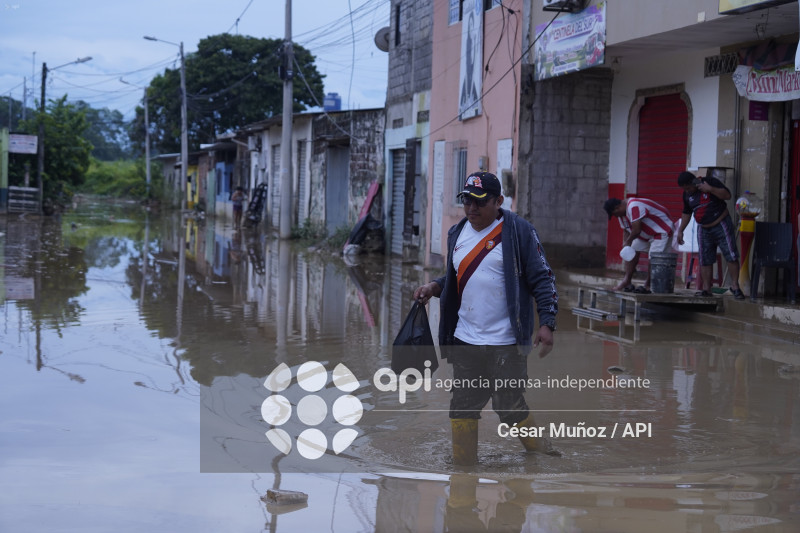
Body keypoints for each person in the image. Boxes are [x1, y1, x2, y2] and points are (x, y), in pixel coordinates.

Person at [413, 171, 559, 465]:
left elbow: (542, 279)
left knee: (509, 406)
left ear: (498, 201)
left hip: (506, 341)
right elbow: (458, 276)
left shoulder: (519, 232)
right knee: (462, 406)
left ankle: (542, 456)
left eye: (480, 202)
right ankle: (462, 476)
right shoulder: (457, 233)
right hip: (465, 340)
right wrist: (434, 287)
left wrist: (547, 323)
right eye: (467, 201)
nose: (472, 209)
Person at [676, 171, 745, 299]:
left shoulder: (710, 182)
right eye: (684, 189)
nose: (687, 191)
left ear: (694, 182)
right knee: (705, 259)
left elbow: (727, 195)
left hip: (721, 223)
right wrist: (680, 231)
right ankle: (707, 289)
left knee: (731, 255)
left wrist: (710, 189)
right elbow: (686, 213)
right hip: (703, 229)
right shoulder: (687, 195)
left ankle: (735, 287)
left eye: (688, 187)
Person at [604, 197, 674, 294]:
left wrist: (627, 241)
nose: (616, 217)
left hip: (661, 231)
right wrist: (626, 245)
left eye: (614, 214)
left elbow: (636, 230)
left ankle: (648, 285)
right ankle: (627, 280)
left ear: (618, 207)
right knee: (631, 249)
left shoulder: (634, 206)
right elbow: (626, 230)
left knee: (653, 257)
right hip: (645, 234)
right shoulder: (621, 215)